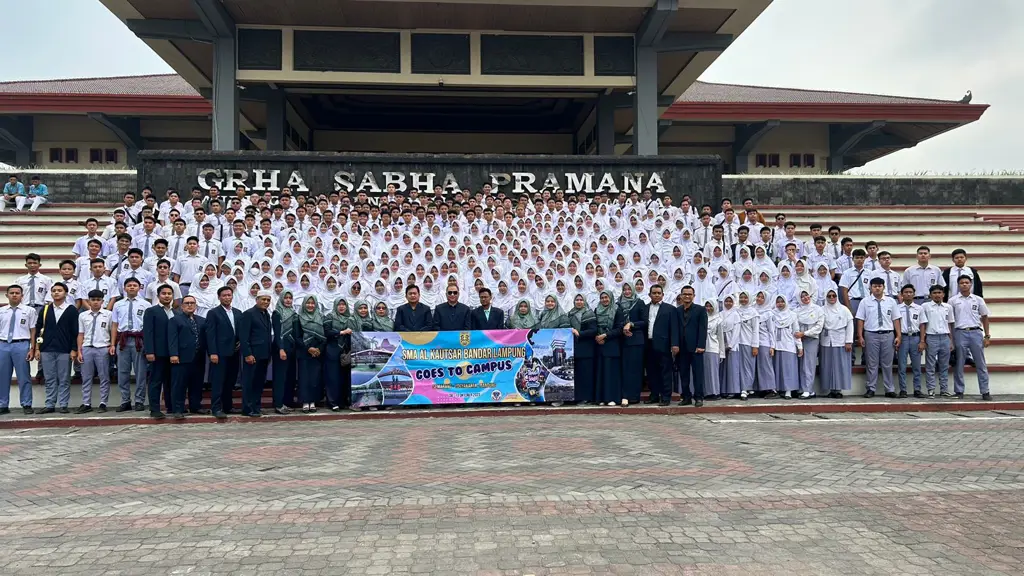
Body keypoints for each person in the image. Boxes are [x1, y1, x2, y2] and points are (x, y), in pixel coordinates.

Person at [33, 282, 79, 414]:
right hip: (47, 349)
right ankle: (50, 404)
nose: (56, 292)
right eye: (54, 290)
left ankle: (63, 404)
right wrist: (37, 348)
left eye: (59, 290)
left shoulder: (71, 310)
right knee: (49, 378)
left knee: (64, 378)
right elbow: (39, 329)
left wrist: (74, 349)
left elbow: (75, 332)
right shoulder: (46, 309)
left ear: (65, 293)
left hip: (64, 350)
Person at [856, 277, 901, 398]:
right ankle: (871, 388)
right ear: (870, 288)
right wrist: (860, 336)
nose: (877, 288)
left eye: (879, 286)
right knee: (872, 363)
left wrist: (899, 335)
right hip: (871, 334)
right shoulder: (865, 302)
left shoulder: (891, 301)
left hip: (888, 334)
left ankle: (889, 389)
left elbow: (896, 319)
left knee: (888, 363)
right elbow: (860, 320)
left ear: (883, 287)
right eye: (875, 286)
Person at [110, 277, 151, 412]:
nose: (132, 287)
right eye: (129, 285)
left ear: (140, 288)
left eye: (135, 285)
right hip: (123, 340)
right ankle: (125, 400)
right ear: (124, 288)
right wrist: (112, 344)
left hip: (139, 340)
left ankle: (139, 400)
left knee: (140, 372)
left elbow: (149, 326)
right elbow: (115, 325)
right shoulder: (118, 304)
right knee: (122, 372)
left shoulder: (146, 305)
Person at [949, 275, 992, 400]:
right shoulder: (953, 301)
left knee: (980, 363)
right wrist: (951, 339)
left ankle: (985, 391)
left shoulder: (978, 300)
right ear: (958, 285)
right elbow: (950, 322)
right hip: (959, 332)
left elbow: (985, 317)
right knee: (959, 363)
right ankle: (959, 391)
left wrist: (987, 335)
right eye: (961, 283)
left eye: (966, 282)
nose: (964, 285)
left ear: (971, 284)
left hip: (975, 332)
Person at [636, 285, 677, 407]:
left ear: (663, 295)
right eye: (654, 293)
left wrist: (674, 344)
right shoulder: (645, 308)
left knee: (665, 371)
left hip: (664, 345)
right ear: (649, 295)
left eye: (659, 293)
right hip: (648, 344)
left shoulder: (670, 309)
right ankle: (654, 395)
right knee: (651, 372)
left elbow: (674, 328)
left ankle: (665, 397)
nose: (657, 295)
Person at [167, 295, 207, 419]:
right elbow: (172, 339)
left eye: (192, 303)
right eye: (187, 303)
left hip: (198, 357)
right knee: (179, 384)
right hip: (181, 358)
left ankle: (195, 406)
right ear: (182, 305)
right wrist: (173, 354)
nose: (190, 305)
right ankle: (178, 409)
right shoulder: (175, 320)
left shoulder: (201, 320)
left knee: (196, 384)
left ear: (195, 306)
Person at [206, 286, 242, 418]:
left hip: (234, 352)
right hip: (219, 353)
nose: (227, 297)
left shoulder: (238, 312)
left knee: (230, 381)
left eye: (229, 295)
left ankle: (228, 406)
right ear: (219, 297)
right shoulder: (213, 313)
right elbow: (211, 334)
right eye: (224, 295)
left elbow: (240, 331)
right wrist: (213, 353)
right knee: (218, 381)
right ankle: (216, 408)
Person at [75, 289, 114, 413]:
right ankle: (86, 403)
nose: (96, 302)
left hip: (102, 348)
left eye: (98, 300)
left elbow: (112, 331)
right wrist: (79, 351)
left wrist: (111, 345)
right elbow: (81, 334)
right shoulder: (83, 315)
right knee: (86, 377)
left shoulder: (108, 315)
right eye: (93, 300)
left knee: (104, 376)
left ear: (103, 301)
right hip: (87, 348)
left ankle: (103, 403)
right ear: (89, 301)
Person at [0, 285, 37, 414]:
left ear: (22, 295)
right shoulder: (2, 311)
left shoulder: (29, 311)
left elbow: (33, 330)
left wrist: (32, 348)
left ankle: (26, 404)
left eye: (17, 293)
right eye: (12, 293)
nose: (14, 295)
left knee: (24, 376)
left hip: (21, 344)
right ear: (7, 295)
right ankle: (2, 404)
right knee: (2, 376)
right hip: (3, 345)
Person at [238, 291, 274, 417]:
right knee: (249, 382)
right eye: (263, 299)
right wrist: (247, 353)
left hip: (264, 355)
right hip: (252, 355)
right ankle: (247, 408)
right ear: (257, 299)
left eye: (268, 300)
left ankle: (256, 407)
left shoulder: (266, 314)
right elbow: (244, 336)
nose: (266, 302)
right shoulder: (248, 314)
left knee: (259, 383)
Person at [142, 285, 176, 419]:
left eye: (169, 293)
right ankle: (154, 408)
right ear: (158, 295)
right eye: (164, 293)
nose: (167, 296)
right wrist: (149, 351)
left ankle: (171, 406)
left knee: (171, 381)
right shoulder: (152, 311)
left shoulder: (177, 312)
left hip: (173, 354)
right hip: (157, 353)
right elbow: (148, 332)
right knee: (156, 381)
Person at [920, 285, 955, 398]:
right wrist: (923, 340)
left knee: (944, 365)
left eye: (939, 292)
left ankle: (944, 389)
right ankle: (931, 389)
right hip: (931, 337)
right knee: (930, 365)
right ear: (930, 295)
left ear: (943, 294)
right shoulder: (925, 306)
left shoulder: (948, 307)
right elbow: (923, 324)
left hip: (945, 337)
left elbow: (949, 324)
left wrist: (951, 341)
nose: (937, 295)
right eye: (934, 293)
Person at [674, 286, 706, 407]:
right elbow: (675, 329)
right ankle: (686, 397)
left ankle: (699, 397)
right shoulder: (677, 311)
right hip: (681, 348)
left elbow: (703, 329)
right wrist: (675, 345)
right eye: (685, 294)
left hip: (696, 348)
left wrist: (701, 345)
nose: (687, 296)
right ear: (681, 296)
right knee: (684, 374)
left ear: (693, 296)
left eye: (689, 294)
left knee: (698, 374)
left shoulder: (700, 310)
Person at [323, 298, 358, 411]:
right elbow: (326, 332)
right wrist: (341, 332)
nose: (342, 307)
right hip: (332, 350)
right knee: (333, 377)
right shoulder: (330, 316)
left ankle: (343, 401)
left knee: (345, 377)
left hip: (346, 352)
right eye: (339, 304)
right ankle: (332, 402)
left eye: (344, 305)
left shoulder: (350, 318)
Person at [820, 289, 854, 398]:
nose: (831, 298)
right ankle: (830, 389)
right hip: (826, 341)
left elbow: (850, 326)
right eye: (829, 296)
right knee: (828, 366)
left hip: (841, 341)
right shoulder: (821, 310)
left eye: (833, 295)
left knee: (840, 366)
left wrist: (848, 341)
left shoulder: (844, 310)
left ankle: (838, 390)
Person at [594, 289, 624, 406]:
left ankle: (612, 398)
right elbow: (594, 325)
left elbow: (619, 328)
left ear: (611, 298)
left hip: (612, 344)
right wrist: (597, 337)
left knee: (611, 373)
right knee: (601, 372)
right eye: (602, 298)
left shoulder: (617, 310)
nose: (604, 300)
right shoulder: (597, 310)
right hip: (600, 345)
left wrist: (605, 336)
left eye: (606, 297)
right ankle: (601, 398)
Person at [296, 295, 326, 413]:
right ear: (304, 304)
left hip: (317, 353)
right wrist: (308, 348)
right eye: (308, 303)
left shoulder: (320, 317)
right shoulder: (299, 318)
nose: (310, 305)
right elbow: (297, 336)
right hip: (304, 352)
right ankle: (305, 401)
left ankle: (313, 401)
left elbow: (324, 336)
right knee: (304, 378)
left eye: (313, 303)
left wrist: (318, 349)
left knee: (315, 378)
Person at [618, 284, 645, 406]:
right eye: (625, 289)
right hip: (622, 340)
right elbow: (616, 320)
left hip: (636, 340)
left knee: (635, 369)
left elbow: (645, 321)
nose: (627, 291)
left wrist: (631, 324)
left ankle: (634, 396)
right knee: (624, 369)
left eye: (629, 289)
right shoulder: (617, 303)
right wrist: (623, 327)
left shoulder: (639, 303)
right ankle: (624, 395)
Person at [568, 294, 597, 405]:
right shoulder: (570, 313)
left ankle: (586, 397)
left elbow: (593, 330)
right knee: (577, 375)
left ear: (584, 301)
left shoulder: (589, 314)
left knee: (586, 374)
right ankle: (576, 397)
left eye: (581, 300)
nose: (579, 302)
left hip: (586, 348)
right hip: (574, 348)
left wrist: (580, 333)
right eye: (577, 300)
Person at [895, 285, 924, 398]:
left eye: (910, 292)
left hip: (915, 337)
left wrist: (922, 340)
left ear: (914, 294)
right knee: (901, 365)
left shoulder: (919, 308)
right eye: (906, 292)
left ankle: (917, 389)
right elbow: (895, 323)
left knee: (916, 366)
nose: (908, 294)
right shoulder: (897, 308)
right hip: (903, 337)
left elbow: (922, 325)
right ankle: (903, 390)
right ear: (902, 294)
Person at [271, 291, 298, 414]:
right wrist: (281, 349)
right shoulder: (277, 313)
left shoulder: (293, 313)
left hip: (291, 349)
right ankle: (278, 404)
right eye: (286, 298)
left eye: (290, 298)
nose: (288, 300)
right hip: (280, 349)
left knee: (290, 377)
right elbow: (278, 333)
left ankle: (287, 402)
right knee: (280, 378)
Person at [795, 290, 824, 399]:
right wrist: (800, 335)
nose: (805, 298)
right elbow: (795, 325)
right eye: (802, 296)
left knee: (809, 365)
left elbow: (819, 326)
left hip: (811, 339)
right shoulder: (797, 311)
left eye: (806, 295)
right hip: (800, 339)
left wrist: (805, 333)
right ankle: (803, 389)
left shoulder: (817, 309)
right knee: (801, 364)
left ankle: (808, 389)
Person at [772, 296, 802, 399]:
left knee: (789, 369)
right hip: (776, 344)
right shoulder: (773, 314)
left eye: (782, 302)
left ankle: (788, 391)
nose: (780, 304)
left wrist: (799, 346)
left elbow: (796, 331)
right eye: (778, 302)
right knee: (778, 368)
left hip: (788, 344)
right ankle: (779, 389)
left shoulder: (792, 315)